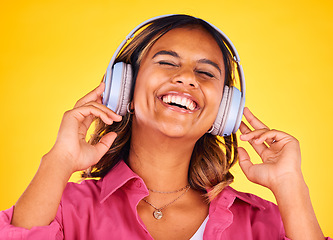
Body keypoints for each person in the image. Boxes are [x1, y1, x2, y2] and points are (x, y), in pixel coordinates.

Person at [0, 14, 330, 240]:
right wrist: (57, 161)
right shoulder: (64, 208)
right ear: (124, 90)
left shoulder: (263, 222)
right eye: (167, 63)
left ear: (223, 112)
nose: (187, 77)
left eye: (206, 73)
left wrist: (291, 186)